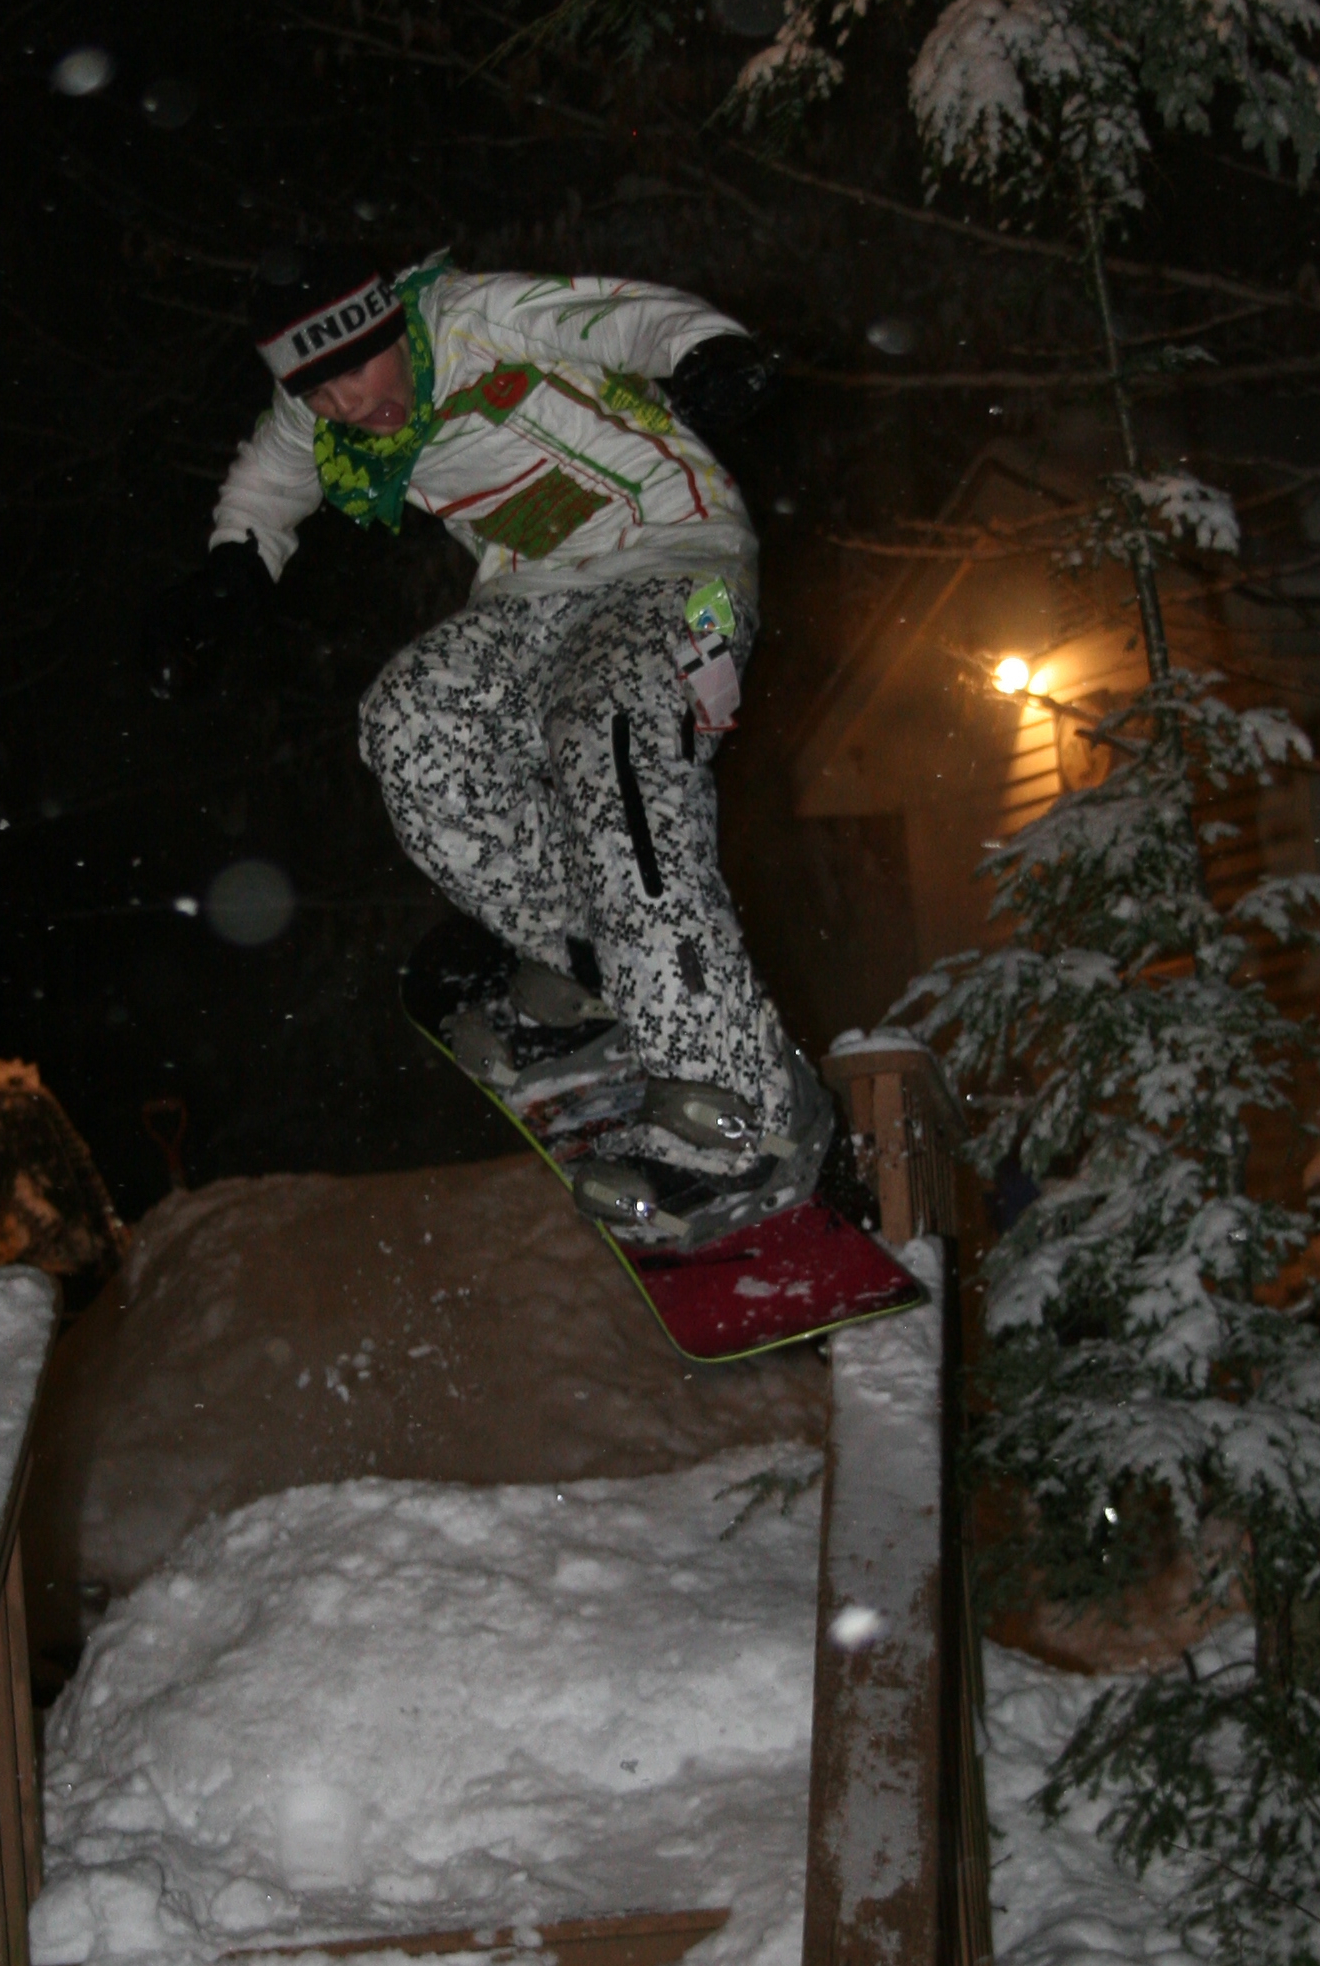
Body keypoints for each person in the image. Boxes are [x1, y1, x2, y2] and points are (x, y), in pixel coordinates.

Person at [144, 248, 831, 1246]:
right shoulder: (317, 414)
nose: (346, 404)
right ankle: (591, 962)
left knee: (611, 742)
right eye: (319, 390)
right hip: (532, 598)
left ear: (392, 334)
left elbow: (628, 317)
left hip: (670, 556)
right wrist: (227, 575)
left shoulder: (480, 319)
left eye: (360, 372)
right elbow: (264, 483)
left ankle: (740, 1112)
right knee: (411, 723)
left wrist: (706, 354)